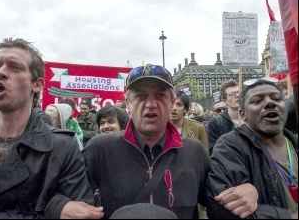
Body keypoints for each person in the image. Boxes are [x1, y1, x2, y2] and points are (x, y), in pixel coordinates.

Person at [0, 37, 103, 219]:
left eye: (15, 67)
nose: (0, 72)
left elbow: (83, 215)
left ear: (37, 84)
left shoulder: (62, 147)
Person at [82, 64, 210, 218]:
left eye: (160, 96)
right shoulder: (100, 149)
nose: (150, 104)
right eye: (140, 96)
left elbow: (219, 201)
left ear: (171, 102)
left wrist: (246, 190)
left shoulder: (194, 151)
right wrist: (60, 205)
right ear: (128, 103)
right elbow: (63, 195)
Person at [206, 79, 298, 219]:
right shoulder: (230, 146)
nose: (270, 103)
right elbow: (220, 209)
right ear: (243, 115)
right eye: (257, 101)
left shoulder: (295, 143)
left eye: (277, 98)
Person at [208, 79, 243, 156]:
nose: (237, 96)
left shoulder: (251, 120)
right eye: (232, 94)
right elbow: (213, 153)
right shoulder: (216, 123)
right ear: (225, 101)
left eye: (238, 92)